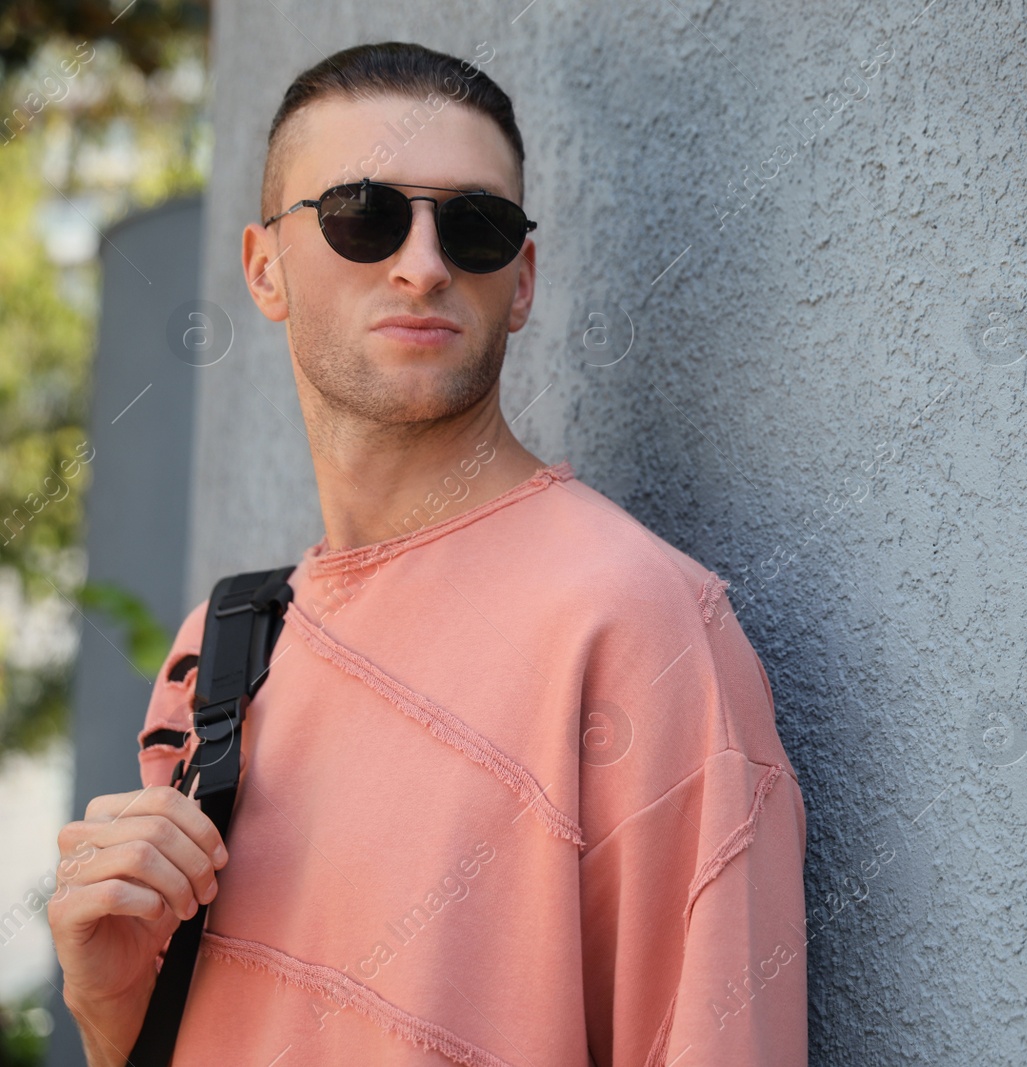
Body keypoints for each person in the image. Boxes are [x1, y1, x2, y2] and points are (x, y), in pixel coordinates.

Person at [48, 40, 808, 1067]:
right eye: (362, 213)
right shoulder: (226, 646)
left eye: (475, 225)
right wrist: (106, 1008)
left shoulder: (636, 621)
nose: (422, 262)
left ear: (524, 280)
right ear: (264, 266)